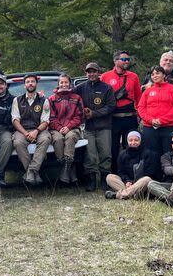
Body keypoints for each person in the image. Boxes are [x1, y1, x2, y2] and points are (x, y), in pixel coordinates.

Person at [73, 63, 115, 191]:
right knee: (89, 155)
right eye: (88, 72)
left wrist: (94, 113)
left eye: (94, 71)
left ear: (98, 72)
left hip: (104, 126)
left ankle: (104, 180)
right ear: (86, 73)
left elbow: (111, 106)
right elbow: (68, 97)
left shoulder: (107, 88)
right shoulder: (80, 88)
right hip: (88, 127)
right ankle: (91, 181)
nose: (91, 74)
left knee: (106, 154)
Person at [101, 51, 143, 172]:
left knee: (131, 146)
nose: (127, 62)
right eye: (124, 59)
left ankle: (130, 173)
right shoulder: (105, 76)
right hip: (113, 118)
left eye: (128, 59)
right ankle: (114, 172)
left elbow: (139, 97)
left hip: (129, 117)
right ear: (116, 61)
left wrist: (139, 115)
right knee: (113, 148)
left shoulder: (133, 76)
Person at [12, 74, 51, 185]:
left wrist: (36, 131)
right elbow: (15, 120)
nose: (30, 83)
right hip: (22, 130)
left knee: (46, 139)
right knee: (18, 142)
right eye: (28, 82)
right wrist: (25, 133)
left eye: (32, 81)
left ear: (36, 84)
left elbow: (45, 121)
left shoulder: (44, 100)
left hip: (39, 129)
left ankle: (31, 171)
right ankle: (35, 174)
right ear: (24, 85)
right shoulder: (17, 100)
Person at [138, 65, 173, 158]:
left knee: (170, 154)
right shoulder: (147, 91)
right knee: (151, 155)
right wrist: (151, 120)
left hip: (169, 128)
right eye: (152, 74)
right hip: (150, 128)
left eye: (157, 73)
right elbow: (141, 108)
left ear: (164, 75)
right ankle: (152, 173)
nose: (154, 76)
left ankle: (169, 172)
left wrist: (161, 120)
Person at [48, 74, 84, 184]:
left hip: (72, 128)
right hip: (56, 129)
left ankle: (66, 169)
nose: (64, 84)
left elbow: (79, 116)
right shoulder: (52, 99)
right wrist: (59, 128)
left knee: (71, 137)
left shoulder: (76, 98)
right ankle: (68, 168)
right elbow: (51, 117)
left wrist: (68, 127)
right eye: (61, 83)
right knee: (58, 139)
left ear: (70, 83)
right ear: (58, 84)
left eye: (66, 82)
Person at [142, 51, 173, 127]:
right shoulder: (149, 77)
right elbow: (141, 100)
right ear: (160, 62)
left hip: (172, 123)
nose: (168, 62)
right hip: (150, 122)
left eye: (171, 61)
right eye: (165, 60)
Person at [104, 131, 158, 200]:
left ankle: (120, 195)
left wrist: (134, 183)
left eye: (136, 140)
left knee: (147, 179)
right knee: (110, 177)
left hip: (140, 184)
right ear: (127, 141)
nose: (133, 142)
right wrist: (127, 181)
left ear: (140, 141)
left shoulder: (148, 154)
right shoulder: (122, 154)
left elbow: (150, 173)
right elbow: (121, 172)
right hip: (127, 184)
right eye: (130, 140)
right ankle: (132, 194)